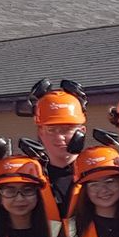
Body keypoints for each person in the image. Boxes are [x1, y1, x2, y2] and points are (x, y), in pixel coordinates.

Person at [26, 81, 87, 210]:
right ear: (40, 133)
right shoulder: (30, 179)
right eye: (51, 130)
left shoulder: (99, 174)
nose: (59, 137)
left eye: (66, 129)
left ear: (81, 131)